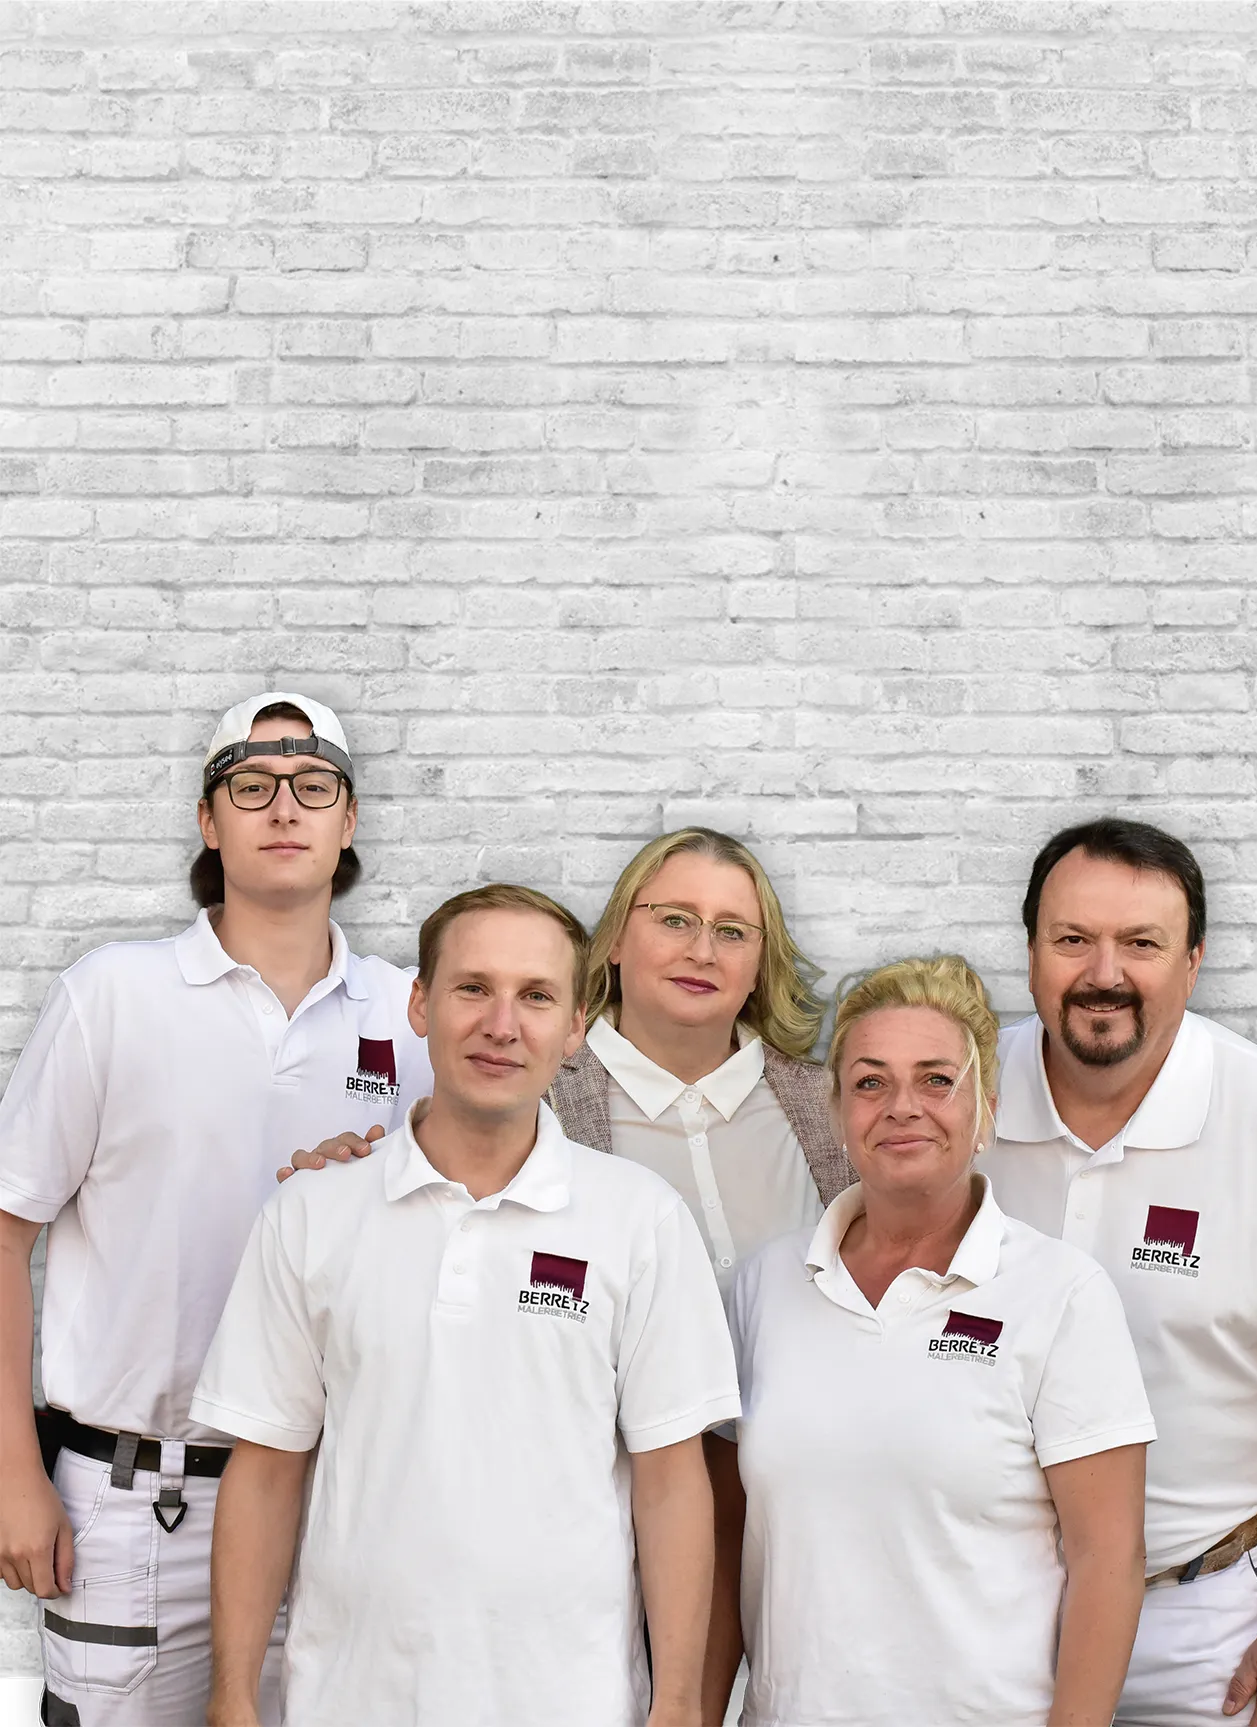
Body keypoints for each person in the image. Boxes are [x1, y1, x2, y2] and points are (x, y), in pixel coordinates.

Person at [282, 826, 850, 1721]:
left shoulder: (833, 1107)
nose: (703, 950)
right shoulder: (531, 1079)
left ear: (761, 964)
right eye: (675, 919)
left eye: (733, 931)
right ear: (615, 940)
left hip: (808, 1516)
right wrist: (344, 1160)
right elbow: (415, 1179)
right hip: (617, 1516)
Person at [192, 885, 740, 1727]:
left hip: (573, 1702)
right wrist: (232, 1699)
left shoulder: (641, 1219)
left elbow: (672, 1484)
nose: (502, 1023)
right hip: (350, 1700)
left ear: (575, 1028)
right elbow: (265, 1472)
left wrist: (676, 1705)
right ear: (421, 1003)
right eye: (473, 987)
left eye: (537, 996)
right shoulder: (312, 1214)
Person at [0, 691, 429, 1727]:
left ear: (349, 819)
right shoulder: (113, 993)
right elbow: (8, 1228)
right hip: (141, 1501)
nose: (284, 806)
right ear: (209, 819)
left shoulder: (415, 1014)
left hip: (344, 1500)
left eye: (313, 785)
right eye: (252, 786)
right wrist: (15, 1466)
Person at [979, 817, 1257, 1727]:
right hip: (997, 1614)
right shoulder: (959, 1097)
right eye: (1072, 938)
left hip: (1214, 1621)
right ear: (1032, 951)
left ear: (1193, 961)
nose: (1104, 973)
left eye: (1142, 944)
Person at [707, 955, 1155, 1727]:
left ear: (984, 1109)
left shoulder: (1060, 1295)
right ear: (839, 1111)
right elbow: (718, 1543)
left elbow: (1108, 1562)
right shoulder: (761, 1289)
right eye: (871, 1081)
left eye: (937, 1080)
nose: (902, 1106)